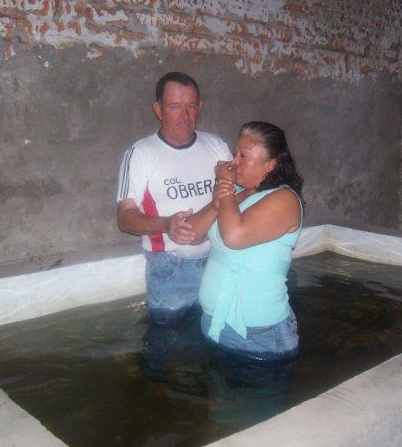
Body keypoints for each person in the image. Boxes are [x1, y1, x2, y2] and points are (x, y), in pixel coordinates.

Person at [116, 72, 231, 326]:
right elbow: (124, 218)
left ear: (200, 107)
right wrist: (166, 224)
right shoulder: (140, 153)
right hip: (169, 267)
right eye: (174, 107)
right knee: (171, 347)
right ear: (158, 109)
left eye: (191, 106)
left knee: (216, 337)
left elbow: (236, 199)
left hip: (218, 260)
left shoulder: (216, 146)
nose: (185, 115)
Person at [187, 121, 304, 361]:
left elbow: (234, 236)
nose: (234, 161)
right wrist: (219, 200)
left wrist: (225, 184)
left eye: (244, 155)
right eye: (235, 153)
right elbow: (194, 234)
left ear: (270, 164)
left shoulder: (284, 198)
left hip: (258, 332)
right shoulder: (240, 194)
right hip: (215, 321)